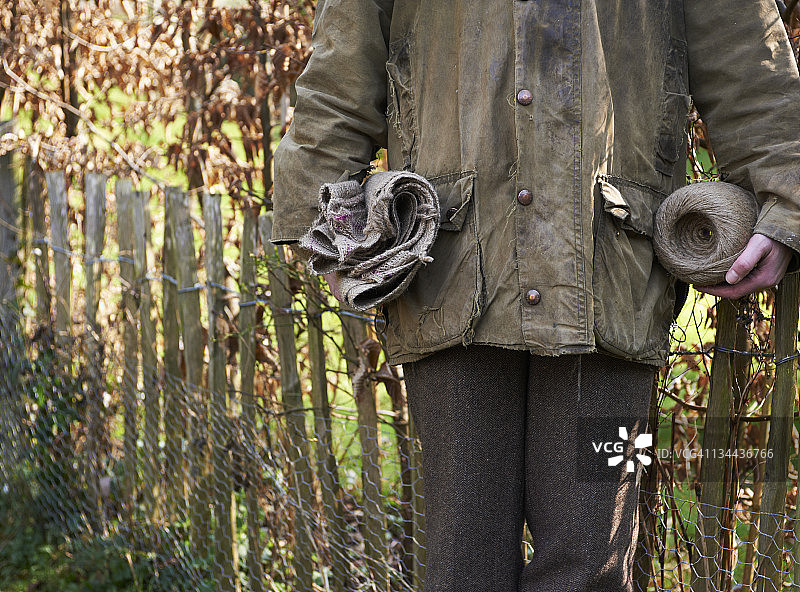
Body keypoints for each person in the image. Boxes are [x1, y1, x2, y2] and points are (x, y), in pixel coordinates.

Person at [271, 1, 800, 590]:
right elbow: (343, 71)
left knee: (593, 569)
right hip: (451, 279)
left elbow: (748, 59)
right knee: (462, 570)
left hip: (613, 292)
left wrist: (787, 204)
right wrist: (324, 227)